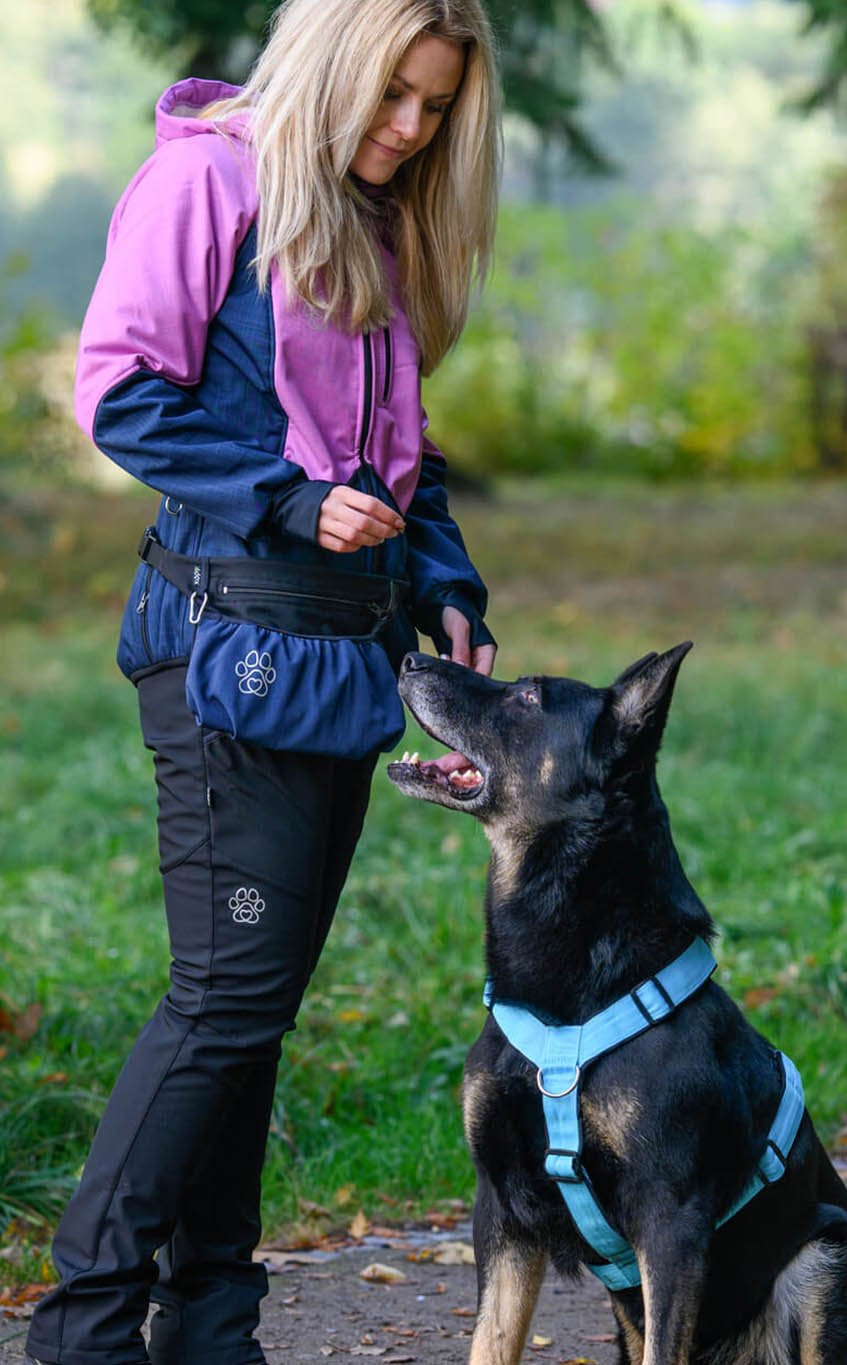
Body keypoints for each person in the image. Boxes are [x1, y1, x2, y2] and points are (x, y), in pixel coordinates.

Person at [25, 2, 500, 1361]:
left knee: (251, 999)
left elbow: (403, 457)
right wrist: (290, 500)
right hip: (223, 645)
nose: (408, 133)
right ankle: (85, 1329)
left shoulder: (375, 216)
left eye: (434, 110)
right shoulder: (208, 179)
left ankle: (211, 1321)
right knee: (226, 995)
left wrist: (445, 582)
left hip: (338, 659)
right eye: (393, 97)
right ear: (337, 63)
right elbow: (121, 391)